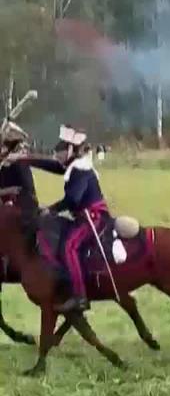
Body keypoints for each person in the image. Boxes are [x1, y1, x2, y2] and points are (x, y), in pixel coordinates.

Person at [45, 125, 111, 313]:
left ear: (70, 151)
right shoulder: (75, 165)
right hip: (85, 217)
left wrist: (50, 210)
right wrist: (23, 160)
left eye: (59, 153)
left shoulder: (80, 169)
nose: (57, 157)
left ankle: (80, 296)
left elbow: (73, 199)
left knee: (69, 246)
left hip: (92, 218)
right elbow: (51, 165)